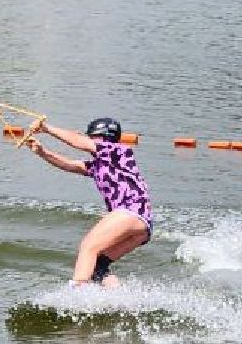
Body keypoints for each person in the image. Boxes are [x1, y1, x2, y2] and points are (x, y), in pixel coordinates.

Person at [29, 117, 152, 287]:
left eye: (91, 137)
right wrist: (42, 152)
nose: (89, 140)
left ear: (103, 137)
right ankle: (118, 299)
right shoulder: (99, 164)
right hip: (142, 227)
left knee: (88, 246)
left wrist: (46, 128)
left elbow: (79, 142)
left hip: (129, 211)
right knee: (98, 267)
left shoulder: (117, 150)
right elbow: (70, 165)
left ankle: (77, 293)